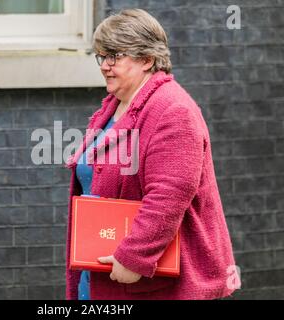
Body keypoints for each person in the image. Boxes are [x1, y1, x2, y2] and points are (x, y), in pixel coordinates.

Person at [65, 8, 239, 300]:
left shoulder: (173, 110)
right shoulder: (115, 105)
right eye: (102, 56)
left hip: (146, 281)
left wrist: (133, 257)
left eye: (115, 56)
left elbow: (170, 193)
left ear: (147, 59)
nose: (105, 65)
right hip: (100, 271)